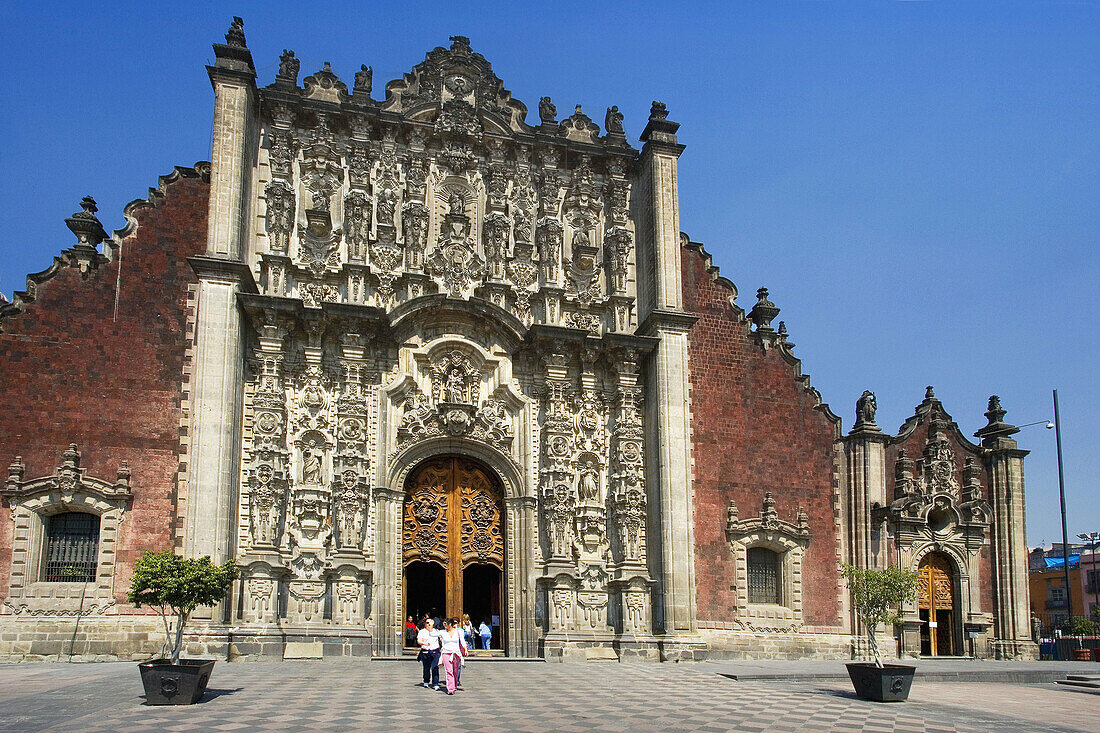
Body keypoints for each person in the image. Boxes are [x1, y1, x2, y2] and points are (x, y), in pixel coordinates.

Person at [439, 617, 467, 695]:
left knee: (455, 670)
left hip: (456, 653)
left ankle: (454, 685)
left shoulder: (458, 632)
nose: (444, 625)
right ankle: (450, 688)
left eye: (445, 624)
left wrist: (465, 649)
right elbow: (433, 634)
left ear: (450, 624)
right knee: (449, 671)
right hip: (446, 652)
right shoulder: (442, 632)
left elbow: (462, 641)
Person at [416, 617, 441, 689]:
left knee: (435, 667)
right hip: (425, 651)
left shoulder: (436, 631)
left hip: (435, 651)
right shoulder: (422, 631)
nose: (428, 624)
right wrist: (424, 643)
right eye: (426, 623)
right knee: (426, 668)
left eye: (429, 622)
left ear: (433, 623)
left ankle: (435, 683)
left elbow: (442, 639)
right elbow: (419, 641)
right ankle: (426, 681)